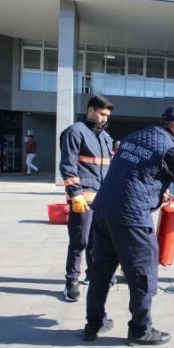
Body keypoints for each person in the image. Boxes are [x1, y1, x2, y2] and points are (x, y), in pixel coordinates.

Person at [84, 104, 174, 345]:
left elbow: (136, 172)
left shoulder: (136, 136)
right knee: (143, 273)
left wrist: (157, 191)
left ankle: (94, 323)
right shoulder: (170, 149)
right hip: (131, 217)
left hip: (103, 210)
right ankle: (140, 330)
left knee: (101, 270)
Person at [59, 95, 114, 302]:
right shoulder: (75, 132)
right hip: (82, 197)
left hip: (102, 199)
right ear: (90, 110)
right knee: (79, 240)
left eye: (107, 115)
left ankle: (94, 274)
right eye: (101, 114)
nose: (104, 119)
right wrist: (75, 194)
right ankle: (71, 281)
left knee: (97, 240)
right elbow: (68, 166)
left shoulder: (105, 137)